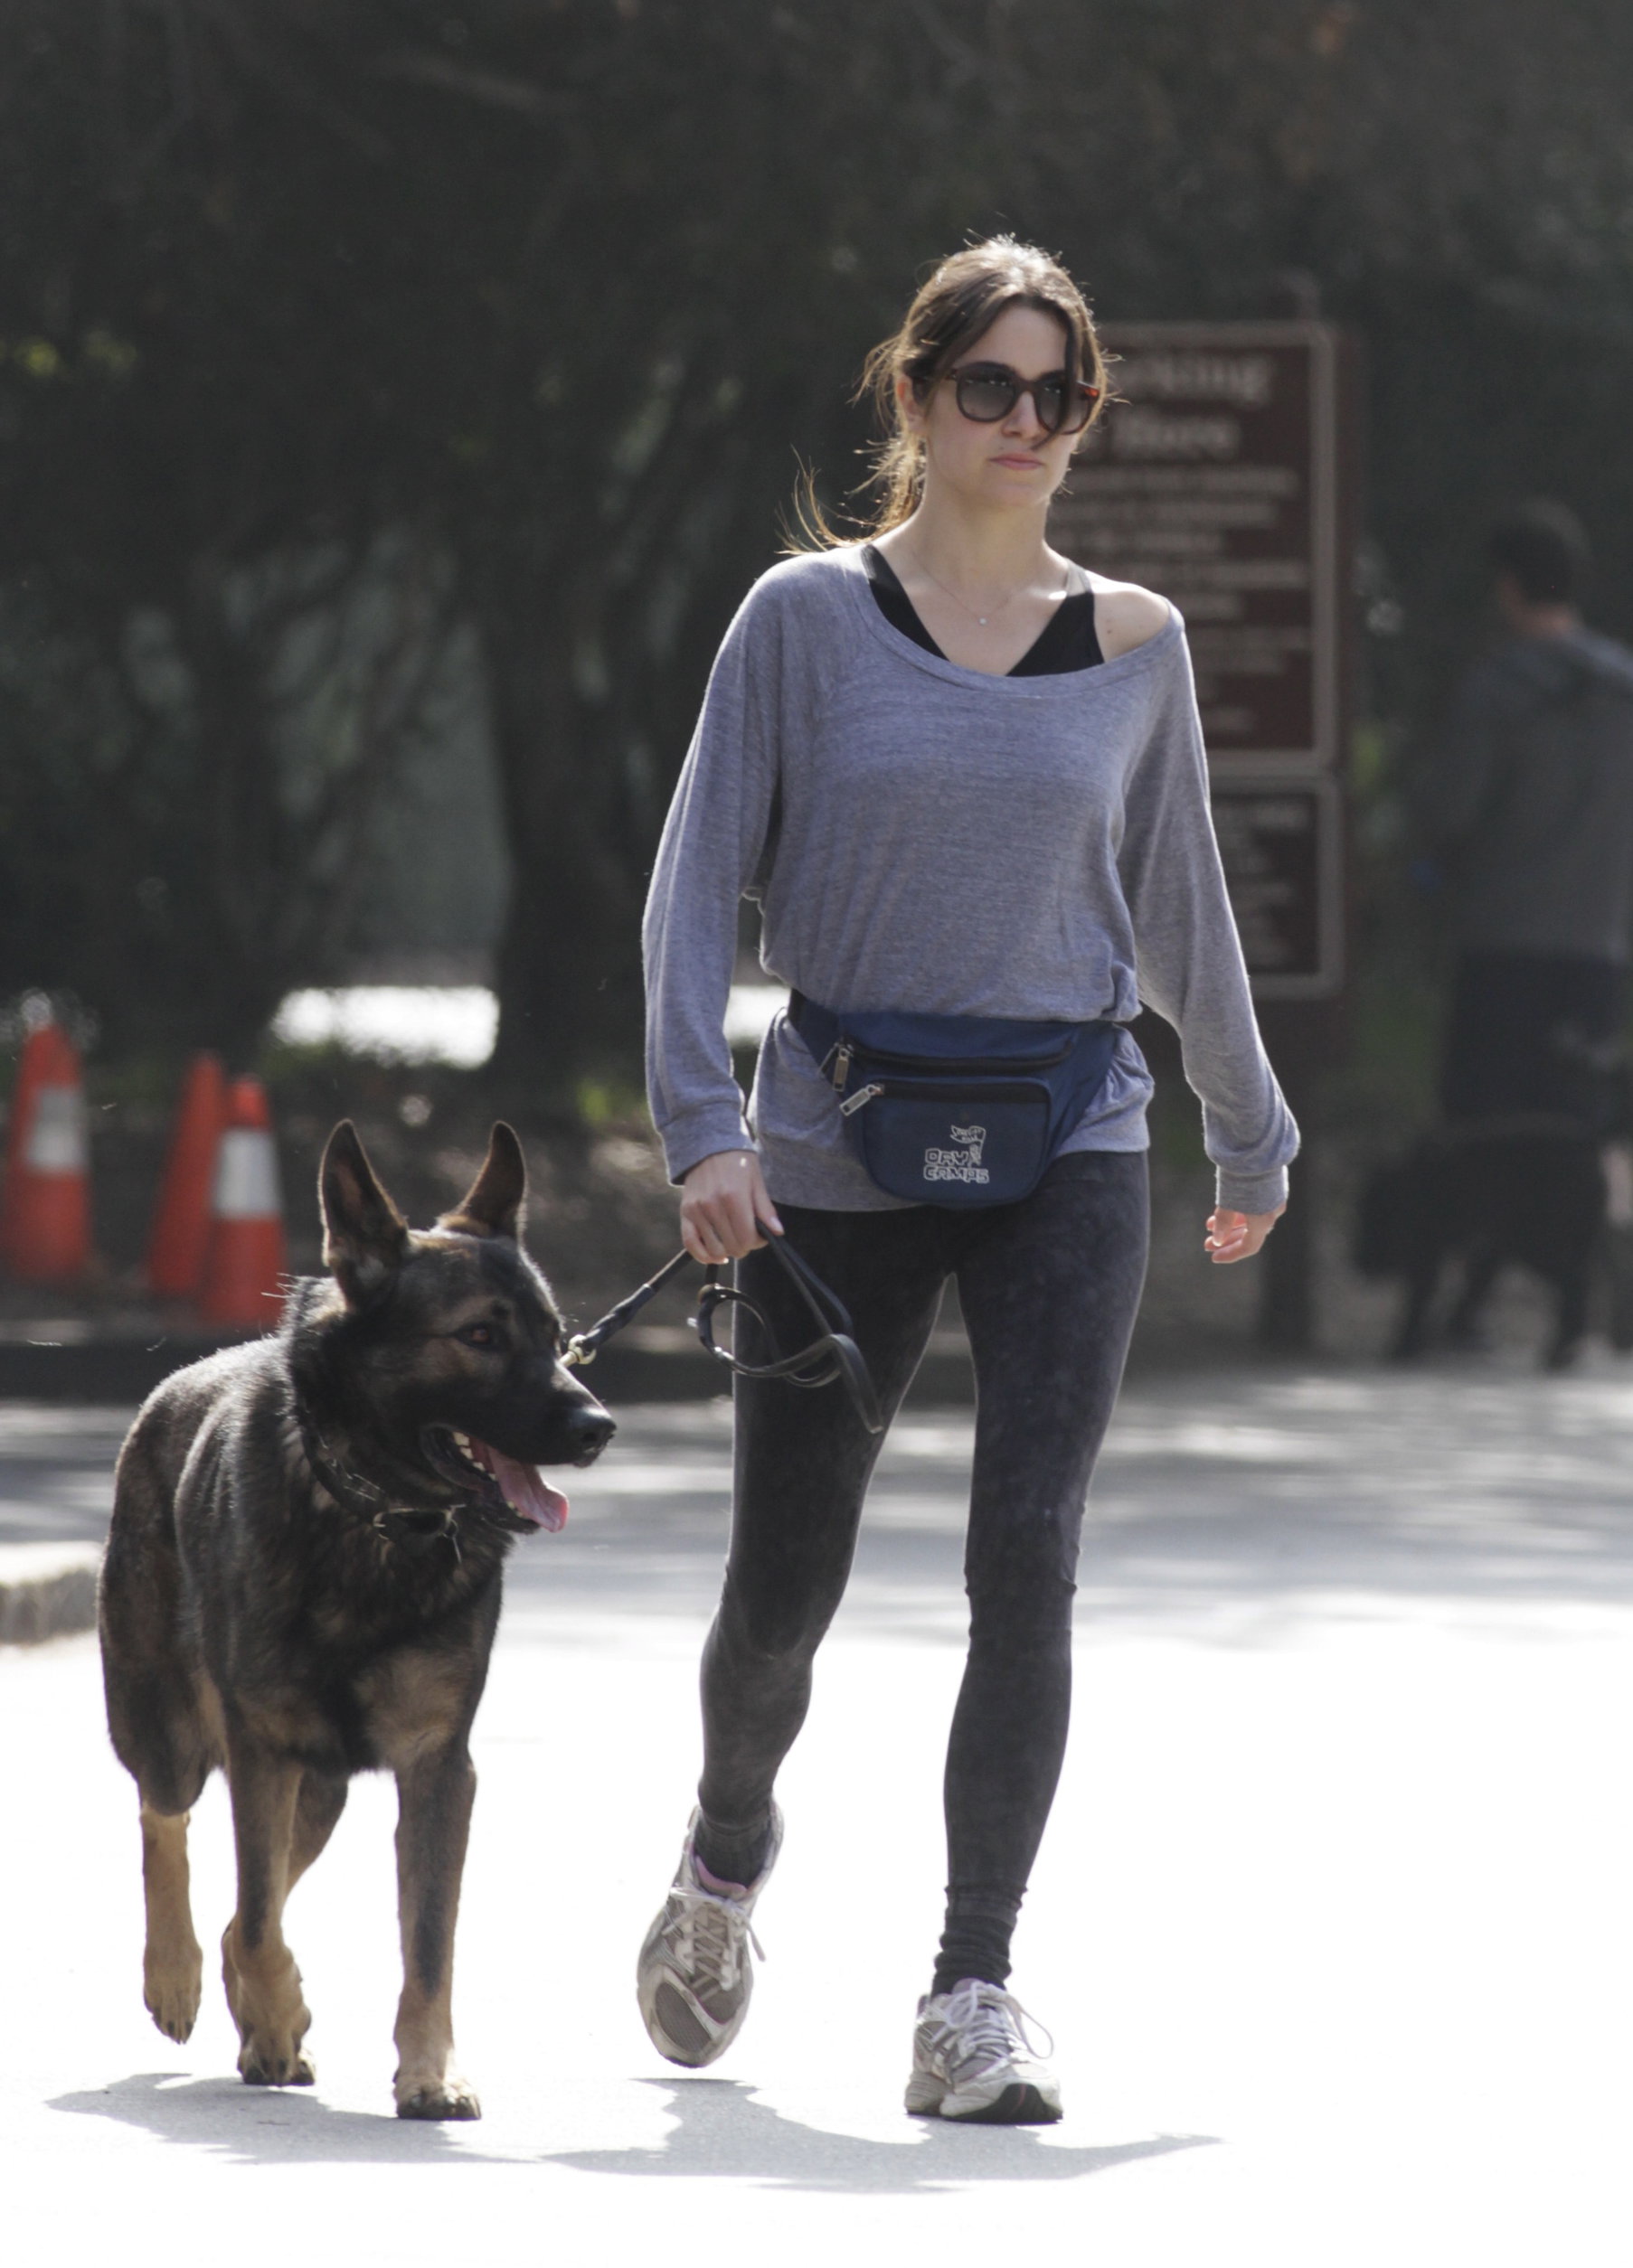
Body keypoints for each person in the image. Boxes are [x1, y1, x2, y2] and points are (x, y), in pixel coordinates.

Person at [637, 237, 1298, 2124]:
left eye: (1059, 395)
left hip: (1070, 1137)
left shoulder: (1139, 645)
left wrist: (1246, 1122)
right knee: (785, 1583)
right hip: (835, 1144)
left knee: (1030, 1557)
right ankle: (723, 1855)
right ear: (913, 399)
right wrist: (703, 1128)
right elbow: (697, 891)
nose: (1026, 424)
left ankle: (971, 1987)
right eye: (989, 386)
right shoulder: (801, 623)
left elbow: (1177, 906)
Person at [1420, 501, 1633, 1136]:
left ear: (1506, 584)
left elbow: (1449, 811)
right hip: (1599, 946)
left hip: (1502, 949)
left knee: (1488, 1128)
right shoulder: (1623, 690)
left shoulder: (1498, 690)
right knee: (1577, 1126)